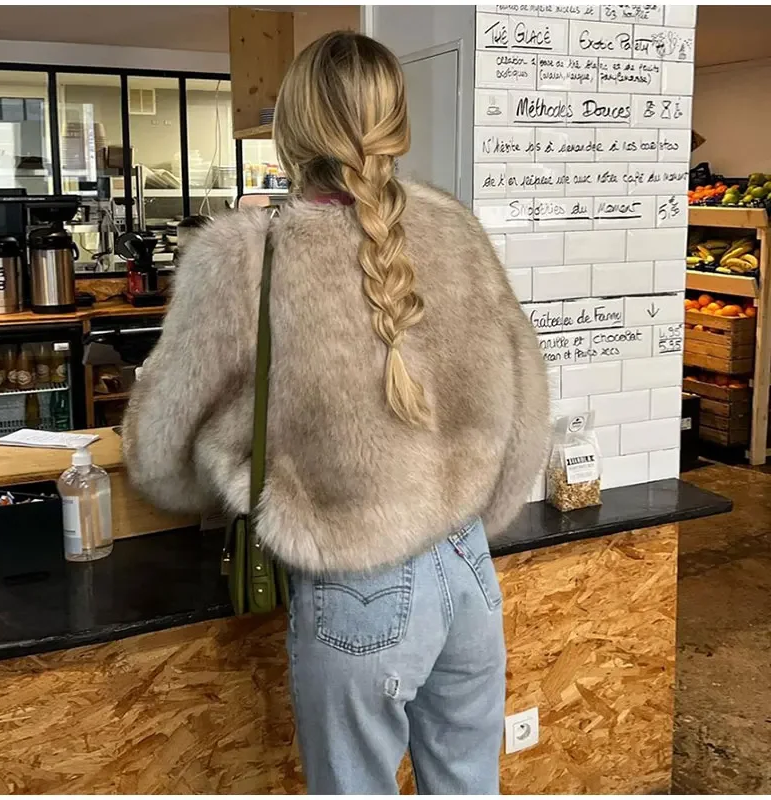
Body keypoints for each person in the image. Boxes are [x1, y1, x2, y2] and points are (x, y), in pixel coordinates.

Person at [123, 31, 549, 795]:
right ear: (395, 122)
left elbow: (158, 456)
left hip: (357, 587)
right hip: (466, 570)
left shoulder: (245, 256)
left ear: (292, 129)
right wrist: (465, 516)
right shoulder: (457, 231)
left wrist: (232, 468)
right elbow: (527, 410)